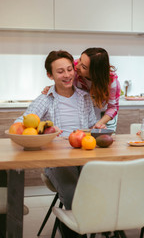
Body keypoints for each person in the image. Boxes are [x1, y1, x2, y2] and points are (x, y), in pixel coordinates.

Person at [15, 50, 96, 238]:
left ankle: (93, 226)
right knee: (73, 193)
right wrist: (31, 129)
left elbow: (92, 127)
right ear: (50, 75)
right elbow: (22, 121)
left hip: (84, 155)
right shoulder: (45, 99)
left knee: (103, 186)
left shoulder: (85, 97)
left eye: (69, 69)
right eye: (60, 71)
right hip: (57, 159)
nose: (67, 75)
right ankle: (76, 231)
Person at [43, 47, 121, 130]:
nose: (77, 66)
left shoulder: (111, 81)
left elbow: (113, 107)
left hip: (104, 114)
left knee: (103, 140)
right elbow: (65, 80)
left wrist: (99, 124)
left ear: (94, 73)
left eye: (84, 67)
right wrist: (53, 88)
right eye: (80, 59)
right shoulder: (75, 66)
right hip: (84, 111)